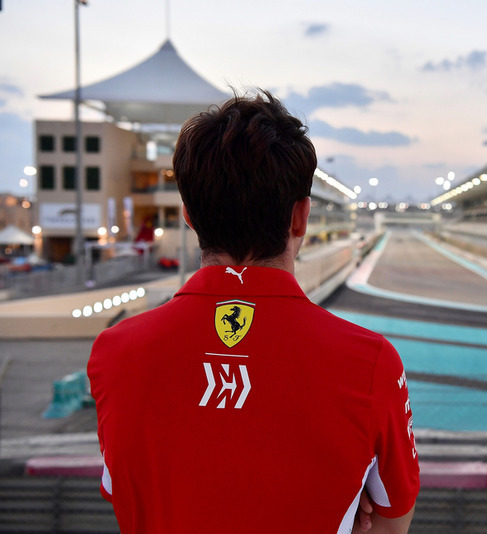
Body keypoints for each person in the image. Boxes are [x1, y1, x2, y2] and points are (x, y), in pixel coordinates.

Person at [88, 90, 419, 533]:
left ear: (189, 216)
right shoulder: (372, 363)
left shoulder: (114, 353)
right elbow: (392, 523)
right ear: (300, 218)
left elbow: (132, 492)